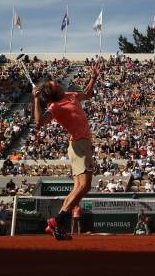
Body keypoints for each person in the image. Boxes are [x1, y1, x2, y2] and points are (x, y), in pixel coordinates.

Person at [35, 61, 101, 240]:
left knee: (79, 187)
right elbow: (39, 123)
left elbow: (87, 94)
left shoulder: (71, 95)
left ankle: (57, 226)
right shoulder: (55, 107)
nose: (56, 82)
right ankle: (58, 220)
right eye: (53, 84)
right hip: (79, 145)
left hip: (80, 144)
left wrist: (93, 78)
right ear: (53, 92)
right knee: (85, 186)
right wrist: (36, 100)